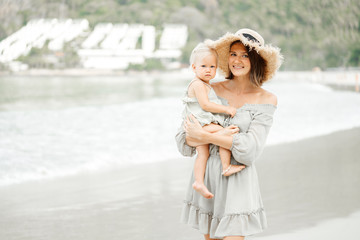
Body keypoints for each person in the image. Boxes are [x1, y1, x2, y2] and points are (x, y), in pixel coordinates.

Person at [175, 28, 283, 240]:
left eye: (245, 55)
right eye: (233, 54)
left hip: (239, 178)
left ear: (256, 60)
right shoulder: (209, 89)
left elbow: (249, 151)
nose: (237, 60)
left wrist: (206, 136)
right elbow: (185, 141)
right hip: (208, 177)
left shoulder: (267, 99)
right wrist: (208, 136)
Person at [183, 43, 245, 199]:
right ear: (194, 67)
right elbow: (205, 105)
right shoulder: (197, 84)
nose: (208, 70)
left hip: (201, 124)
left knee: (202, 154)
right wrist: (226, 109)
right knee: (224, 136)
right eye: (203, 66)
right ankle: (226, 166)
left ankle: (199, 182)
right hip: (201, 124)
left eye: (212, 66)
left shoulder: (205, 84)